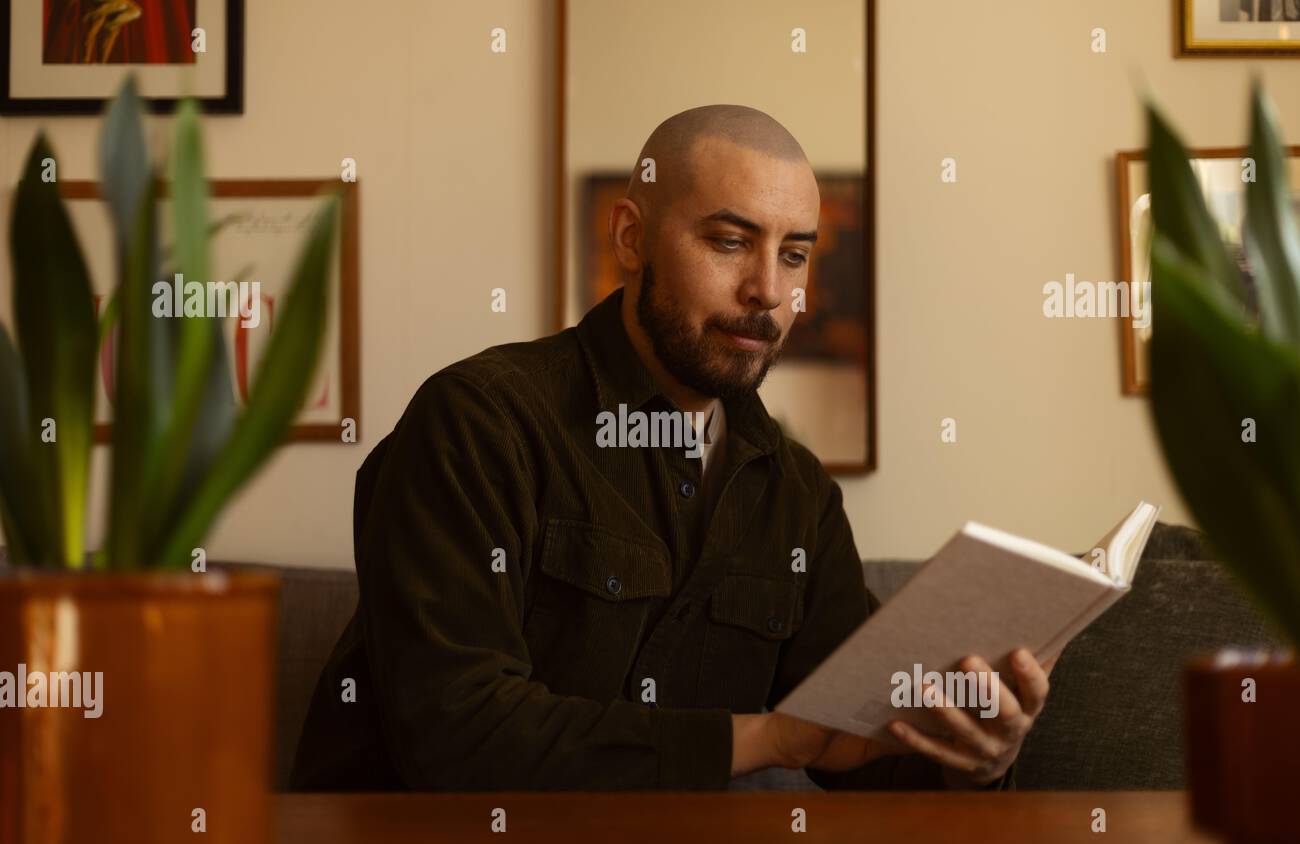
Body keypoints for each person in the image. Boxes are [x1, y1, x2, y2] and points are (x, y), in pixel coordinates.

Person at [290, 105, 1053, 792]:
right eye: (730, 240)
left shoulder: (797, 496)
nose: (766, 289)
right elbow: (457, 735)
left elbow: (864, 750)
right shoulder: (480, 421)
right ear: (631, 236)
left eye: (794, 254)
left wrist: (973, 758)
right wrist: (766, 737)